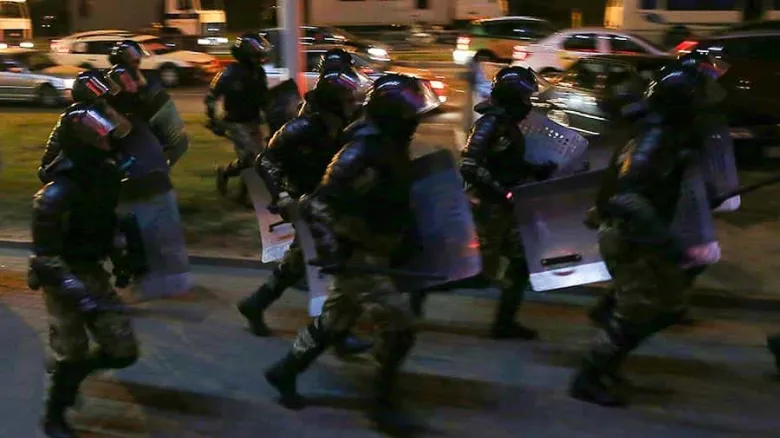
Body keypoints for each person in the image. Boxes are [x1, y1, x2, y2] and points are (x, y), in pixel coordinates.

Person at [264, 74, 435, 433]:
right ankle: (382, 405)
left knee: (333, 322)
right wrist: (333, 253)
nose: (416, 121)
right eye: (411, 114)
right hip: (356, 253)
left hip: (373, 248)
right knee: (399, 325)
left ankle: (284, 371)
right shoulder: (362, 151)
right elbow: (319, 205)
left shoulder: (387, 144)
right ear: (394, 115)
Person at [569, 59, 724, 407]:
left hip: (646, 234)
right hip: (631, 236)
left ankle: (609, 349)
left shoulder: (668, 134)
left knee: (668, 308)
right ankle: (588, 377)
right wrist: (665, 242)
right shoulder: (655, 138)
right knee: (635, 313)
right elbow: (627, 196)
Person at [30, 71, 142, 438]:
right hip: (62, 277)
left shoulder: (103, 178)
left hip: (91, 269)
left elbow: (105, 221)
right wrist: (82, 298)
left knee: (123, 350)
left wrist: (123, 257)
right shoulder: (54, 196)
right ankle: (54, 413)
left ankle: (72, 378)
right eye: (100, 136)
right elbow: (46, 259)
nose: (107, 140)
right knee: (72, 350)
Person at [237, 68, 371, 356]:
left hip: (324, 202)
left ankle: (255, 304)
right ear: (333, 103)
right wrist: (283, 197)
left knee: (297, 262)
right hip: (305, 204)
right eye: (348, 100)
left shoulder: (342, 127)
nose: (354, 105)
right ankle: (337, 333)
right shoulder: (299, 129)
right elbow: (265, 163)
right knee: (340, 265)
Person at [458, 66, 556, 340]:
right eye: (525, 98)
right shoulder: (489, 124)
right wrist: (502, 192)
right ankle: (421, 289)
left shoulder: (506, 124)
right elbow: (470, 166)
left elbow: (506, 162)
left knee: (520, 261)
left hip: (505, 207)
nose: (528, 104)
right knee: (476, 273)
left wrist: (534, 171)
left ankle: (504, 323)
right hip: (488, 207)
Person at [205, 32, 270, 198]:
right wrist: (213, 120)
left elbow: (264, 98)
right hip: (234, 121)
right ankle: (249, 195)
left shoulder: (259, 73)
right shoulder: (229, 73)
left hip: (253, 120)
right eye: (256, 52)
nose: (260, 55)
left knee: (258, 159)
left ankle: (231, 180)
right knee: (251, 156)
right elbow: (211, 97)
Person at [105, 39, 189, 167]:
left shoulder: (125, 75)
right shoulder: (124, 74)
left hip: (154, 112)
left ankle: (156, 168)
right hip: (153, 113)